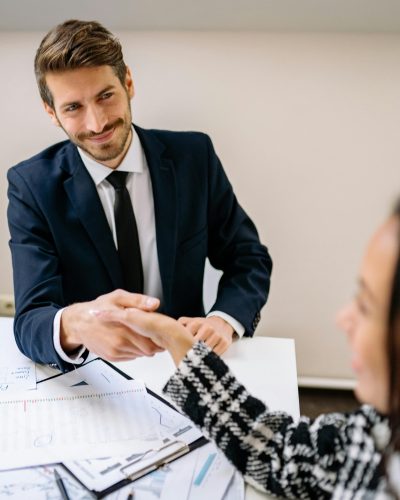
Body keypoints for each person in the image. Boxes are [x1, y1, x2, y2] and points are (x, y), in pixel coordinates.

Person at [7, 20, 272, 371]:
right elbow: (30, 320)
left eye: (106, 96)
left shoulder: (195, 157)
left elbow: (248, 257)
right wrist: (78, 323)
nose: (97, 123)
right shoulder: (31, 186)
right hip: (90, 373)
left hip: (182, 359)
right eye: (73, 107)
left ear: (128, 83)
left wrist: (224, 319)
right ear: (51, 112)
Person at [95, 200, 400, 498]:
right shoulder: (377, 431)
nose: (344, 318)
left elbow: (248, 257)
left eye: (367, 306)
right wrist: (179, 344)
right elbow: (277, 452)